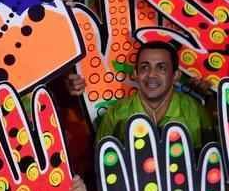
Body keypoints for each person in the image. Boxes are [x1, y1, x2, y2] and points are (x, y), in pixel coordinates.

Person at [70, 41, 214, 150]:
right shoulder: (117, 113)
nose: (151, 75)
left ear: (175, 75)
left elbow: (211, 158)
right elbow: (102, 160)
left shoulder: (195, 111)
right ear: (135, 74)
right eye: (145, 67)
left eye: (161, 68)